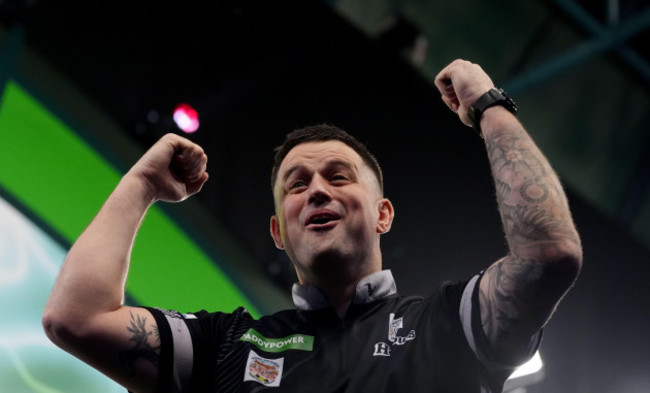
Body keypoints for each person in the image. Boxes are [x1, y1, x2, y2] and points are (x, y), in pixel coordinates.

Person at [42, 59, 582, 392]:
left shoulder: (450, 326)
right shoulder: (227, 347)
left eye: (338, 176)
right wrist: (139, 184)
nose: (317, 189)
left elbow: (550, 254)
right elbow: (76, 319)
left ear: (382, 214)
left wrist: (487, 104)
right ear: (280, 231)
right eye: (296, 185)